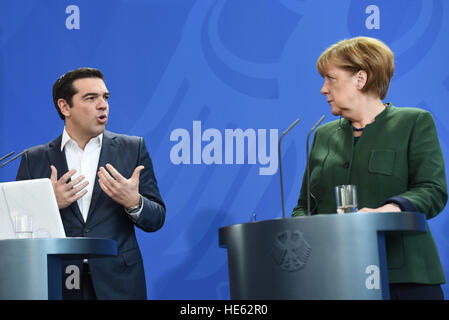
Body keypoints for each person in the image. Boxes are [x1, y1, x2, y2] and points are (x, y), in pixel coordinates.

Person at [292, 37, 447, 300]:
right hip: (335, 277)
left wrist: (391, 209)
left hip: (404, 277)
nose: (323, 89)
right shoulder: (322, 135)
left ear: (360, 79)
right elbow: (304, 206)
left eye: (331, 78)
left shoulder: (414, 122)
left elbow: (433, 190)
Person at [16, 68, 166, 300]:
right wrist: (48, 204)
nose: (102, 105)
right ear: (65, 107)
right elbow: (16, 229)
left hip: (119, 284)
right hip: (58, 283)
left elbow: (156, 219)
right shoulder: (33, 159)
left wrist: (134, 203)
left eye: (105, 98)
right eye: (90, 98)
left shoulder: (132, 148)